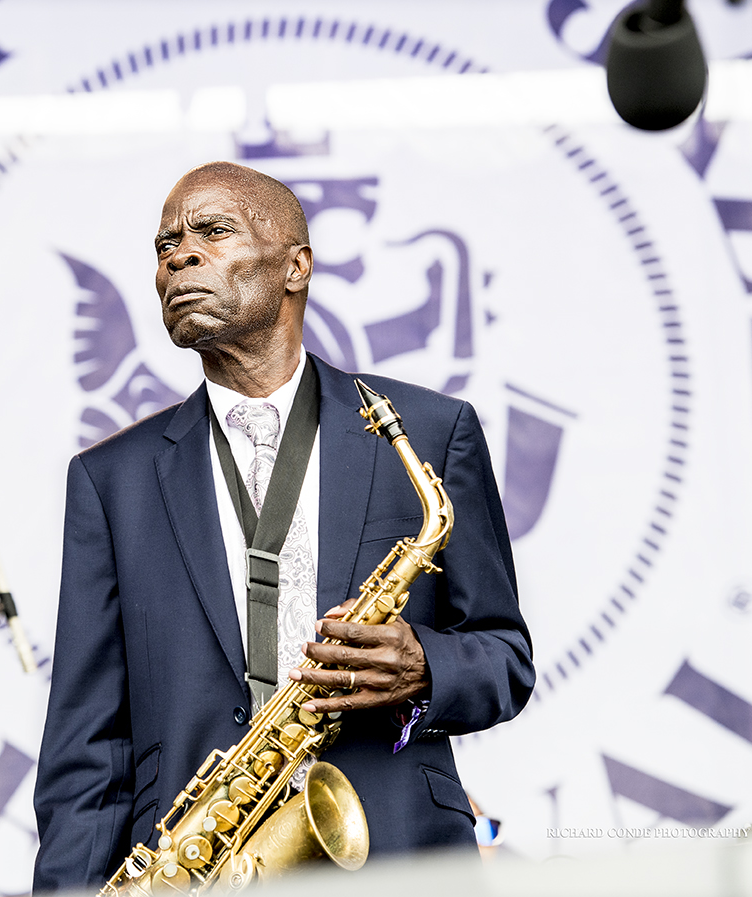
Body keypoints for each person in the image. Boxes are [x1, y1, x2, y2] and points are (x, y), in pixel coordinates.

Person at [32, 161, 534, 891]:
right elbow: (87, 743)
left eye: (212, 230)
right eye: (165, 244)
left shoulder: (430, 429)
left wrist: (424, 665)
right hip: (196, 867)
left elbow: (505, 655)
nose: (178, 255)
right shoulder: (112, 480)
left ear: (296, 265)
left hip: (398, 856)